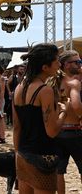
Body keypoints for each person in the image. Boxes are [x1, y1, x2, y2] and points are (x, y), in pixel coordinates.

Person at [13, 43, 67, 193]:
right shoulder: (45, 90)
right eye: (56, 60)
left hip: (23, 155)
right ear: (45, 67)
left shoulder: (18, 88)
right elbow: (52, 131)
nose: (59, 64)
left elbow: (17, 127)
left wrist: (18, 156)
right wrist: (64, 112)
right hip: (43, 156)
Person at [52, 50, 82, 194]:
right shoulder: (73, 82)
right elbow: (76, 106)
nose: (79, 64)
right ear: (65, 65)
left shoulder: (52, 82)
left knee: (59, 172)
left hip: (57, 131)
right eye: (77, 62)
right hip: (75, 131)